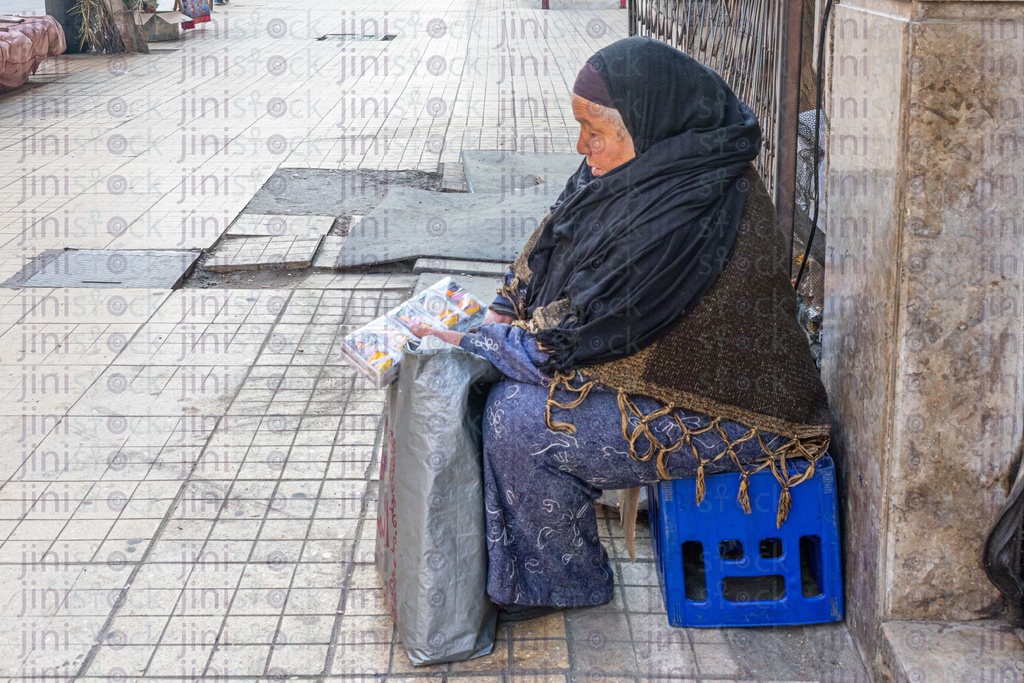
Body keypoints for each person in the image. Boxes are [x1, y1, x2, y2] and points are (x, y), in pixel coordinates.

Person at [411, 36, 831, 620]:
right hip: (651, 370)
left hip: (736, 411)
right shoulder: (641, 165)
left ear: (651, 124)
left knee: (522, 422)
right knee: (506, 388)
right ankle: (540, 566)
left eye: (597, 131)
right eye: (579, 126)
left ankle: (567, 583)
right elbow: (548, 246)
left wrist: (473, 336)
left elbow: (567, 346)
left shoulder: (686, 205)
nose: (582, 147)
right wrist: (503, 310)